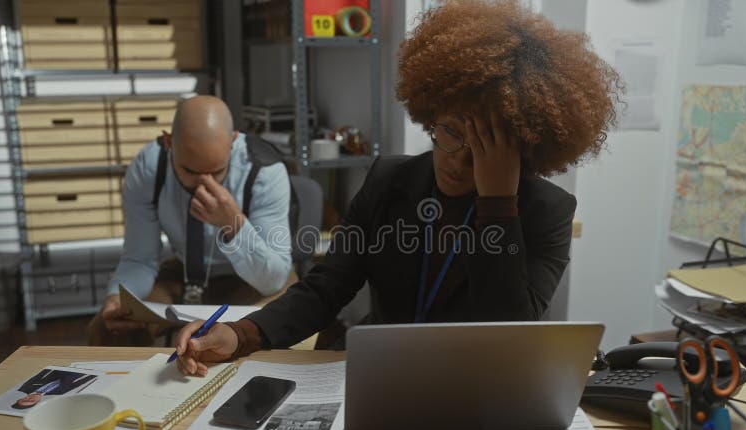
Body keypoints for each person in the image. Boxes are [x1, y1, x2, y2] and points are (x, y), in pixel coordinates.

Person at [174, 0, 623, 377]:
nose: (460, 158)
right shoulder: (390, 180)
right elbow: (327, 287)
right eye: (449, 132)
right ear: (431, 114)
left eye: (485, 147)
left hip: (477, 387)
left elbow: (508, 334)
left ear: (522, 150)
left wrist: (498, 203)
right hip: (382, 371)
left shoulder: (546, 211)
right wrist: (242, 334)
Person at [88, 96, 294, 346]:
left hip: (250, 278)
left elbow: (272, 279)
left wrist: (234, 225)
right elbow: (139, 258)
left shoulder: (265, 171)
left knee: (285, 319)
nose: (202, 184)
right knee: (110, 327)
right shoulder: (149, 168)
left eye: (216, 172)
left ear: (233, 142)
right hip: (183, 273)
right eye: (189, 171)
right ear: (168, 143)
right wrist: (116, 297)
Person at [11, 369, 96, 410]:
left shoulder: (26, 387)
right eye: (32, 401)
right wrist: (94, 374)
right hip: (79, 373)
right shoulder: (59, 393)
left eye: (25, 400)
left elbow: (39, 374)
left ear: (21, 398)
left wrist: (53, 366)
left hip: (61, 369)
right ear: (37, 402)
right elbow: (78, 384)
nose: (30, 398)